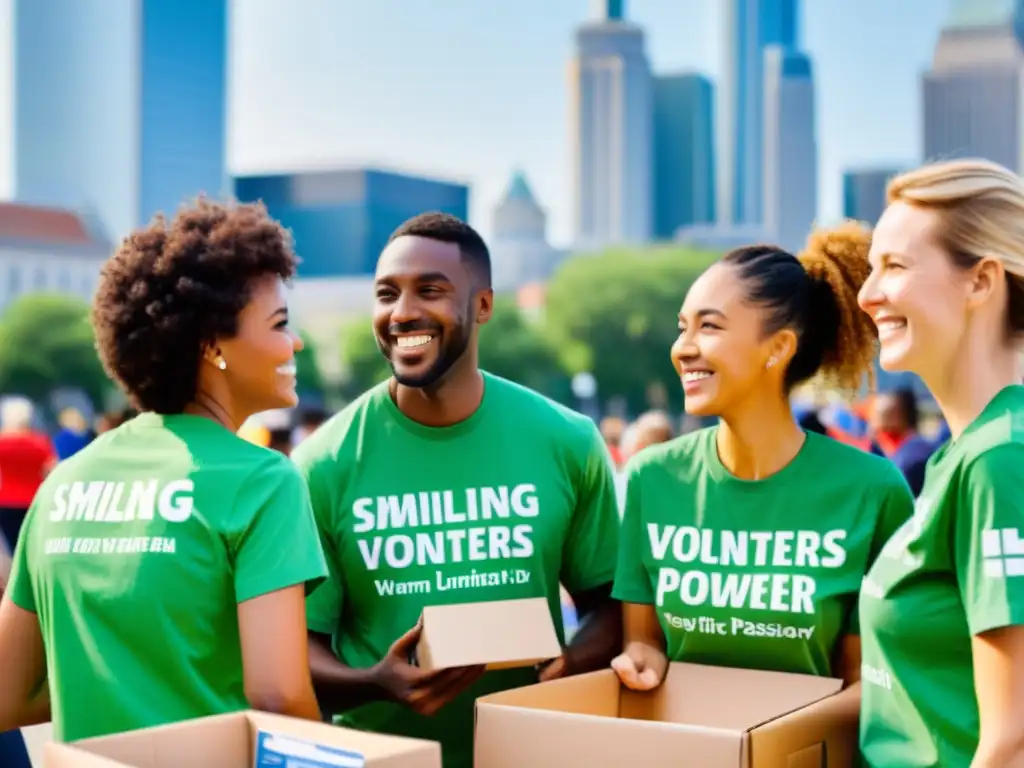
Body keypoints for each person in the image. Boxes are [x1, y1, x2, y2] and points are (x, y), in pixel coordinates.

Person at [292, 212, 622, 768]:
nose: (402, 312)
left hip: (528, 755)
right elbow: (296, 646)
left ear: (484, 306)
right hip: (382, 758)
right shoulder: (322, 463)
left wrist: (565, 665)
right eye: (386, 294)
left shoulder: (566, 439)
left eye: (430, 290)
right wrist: (375, 682)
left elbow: (613, 605)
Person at [0, 199, 328, 742]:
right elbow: (280, 697)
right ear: (212, 347)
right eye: (280, 324)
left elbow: (7, 695)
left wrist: (114, 688)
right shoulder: (263, 480)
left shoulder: (63, 482)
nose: (296, 343)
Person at [611, 224, 915, 715]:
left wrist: (771, 739)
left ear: (777, 348)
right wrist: (637, 663)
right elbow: (645, 644)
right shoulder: (651, 478)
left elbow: (872, 682)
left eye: (708, 327)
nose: (683, 347)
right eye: (682, 326)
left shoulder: (874, 491)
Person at [857, 159, 1024, 767]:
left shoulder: (999, 460)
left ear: (980, 281)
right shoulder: (968, 454)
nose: (866, 294)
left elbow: (1014, 742)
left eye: (893, 267)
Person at [0, 397, 56, 551]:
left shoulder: (2, 444)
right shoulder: (40, 442)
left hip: (6, 501)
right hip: (34, 500)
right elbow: (51, 470)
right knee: (31, 545)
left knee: (13, 547)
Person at [867, 388, 934, 496]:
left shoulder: (912, 459)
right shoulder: (902, 452)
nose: (872, 425)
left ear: (896, 416)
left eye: (878, 415)